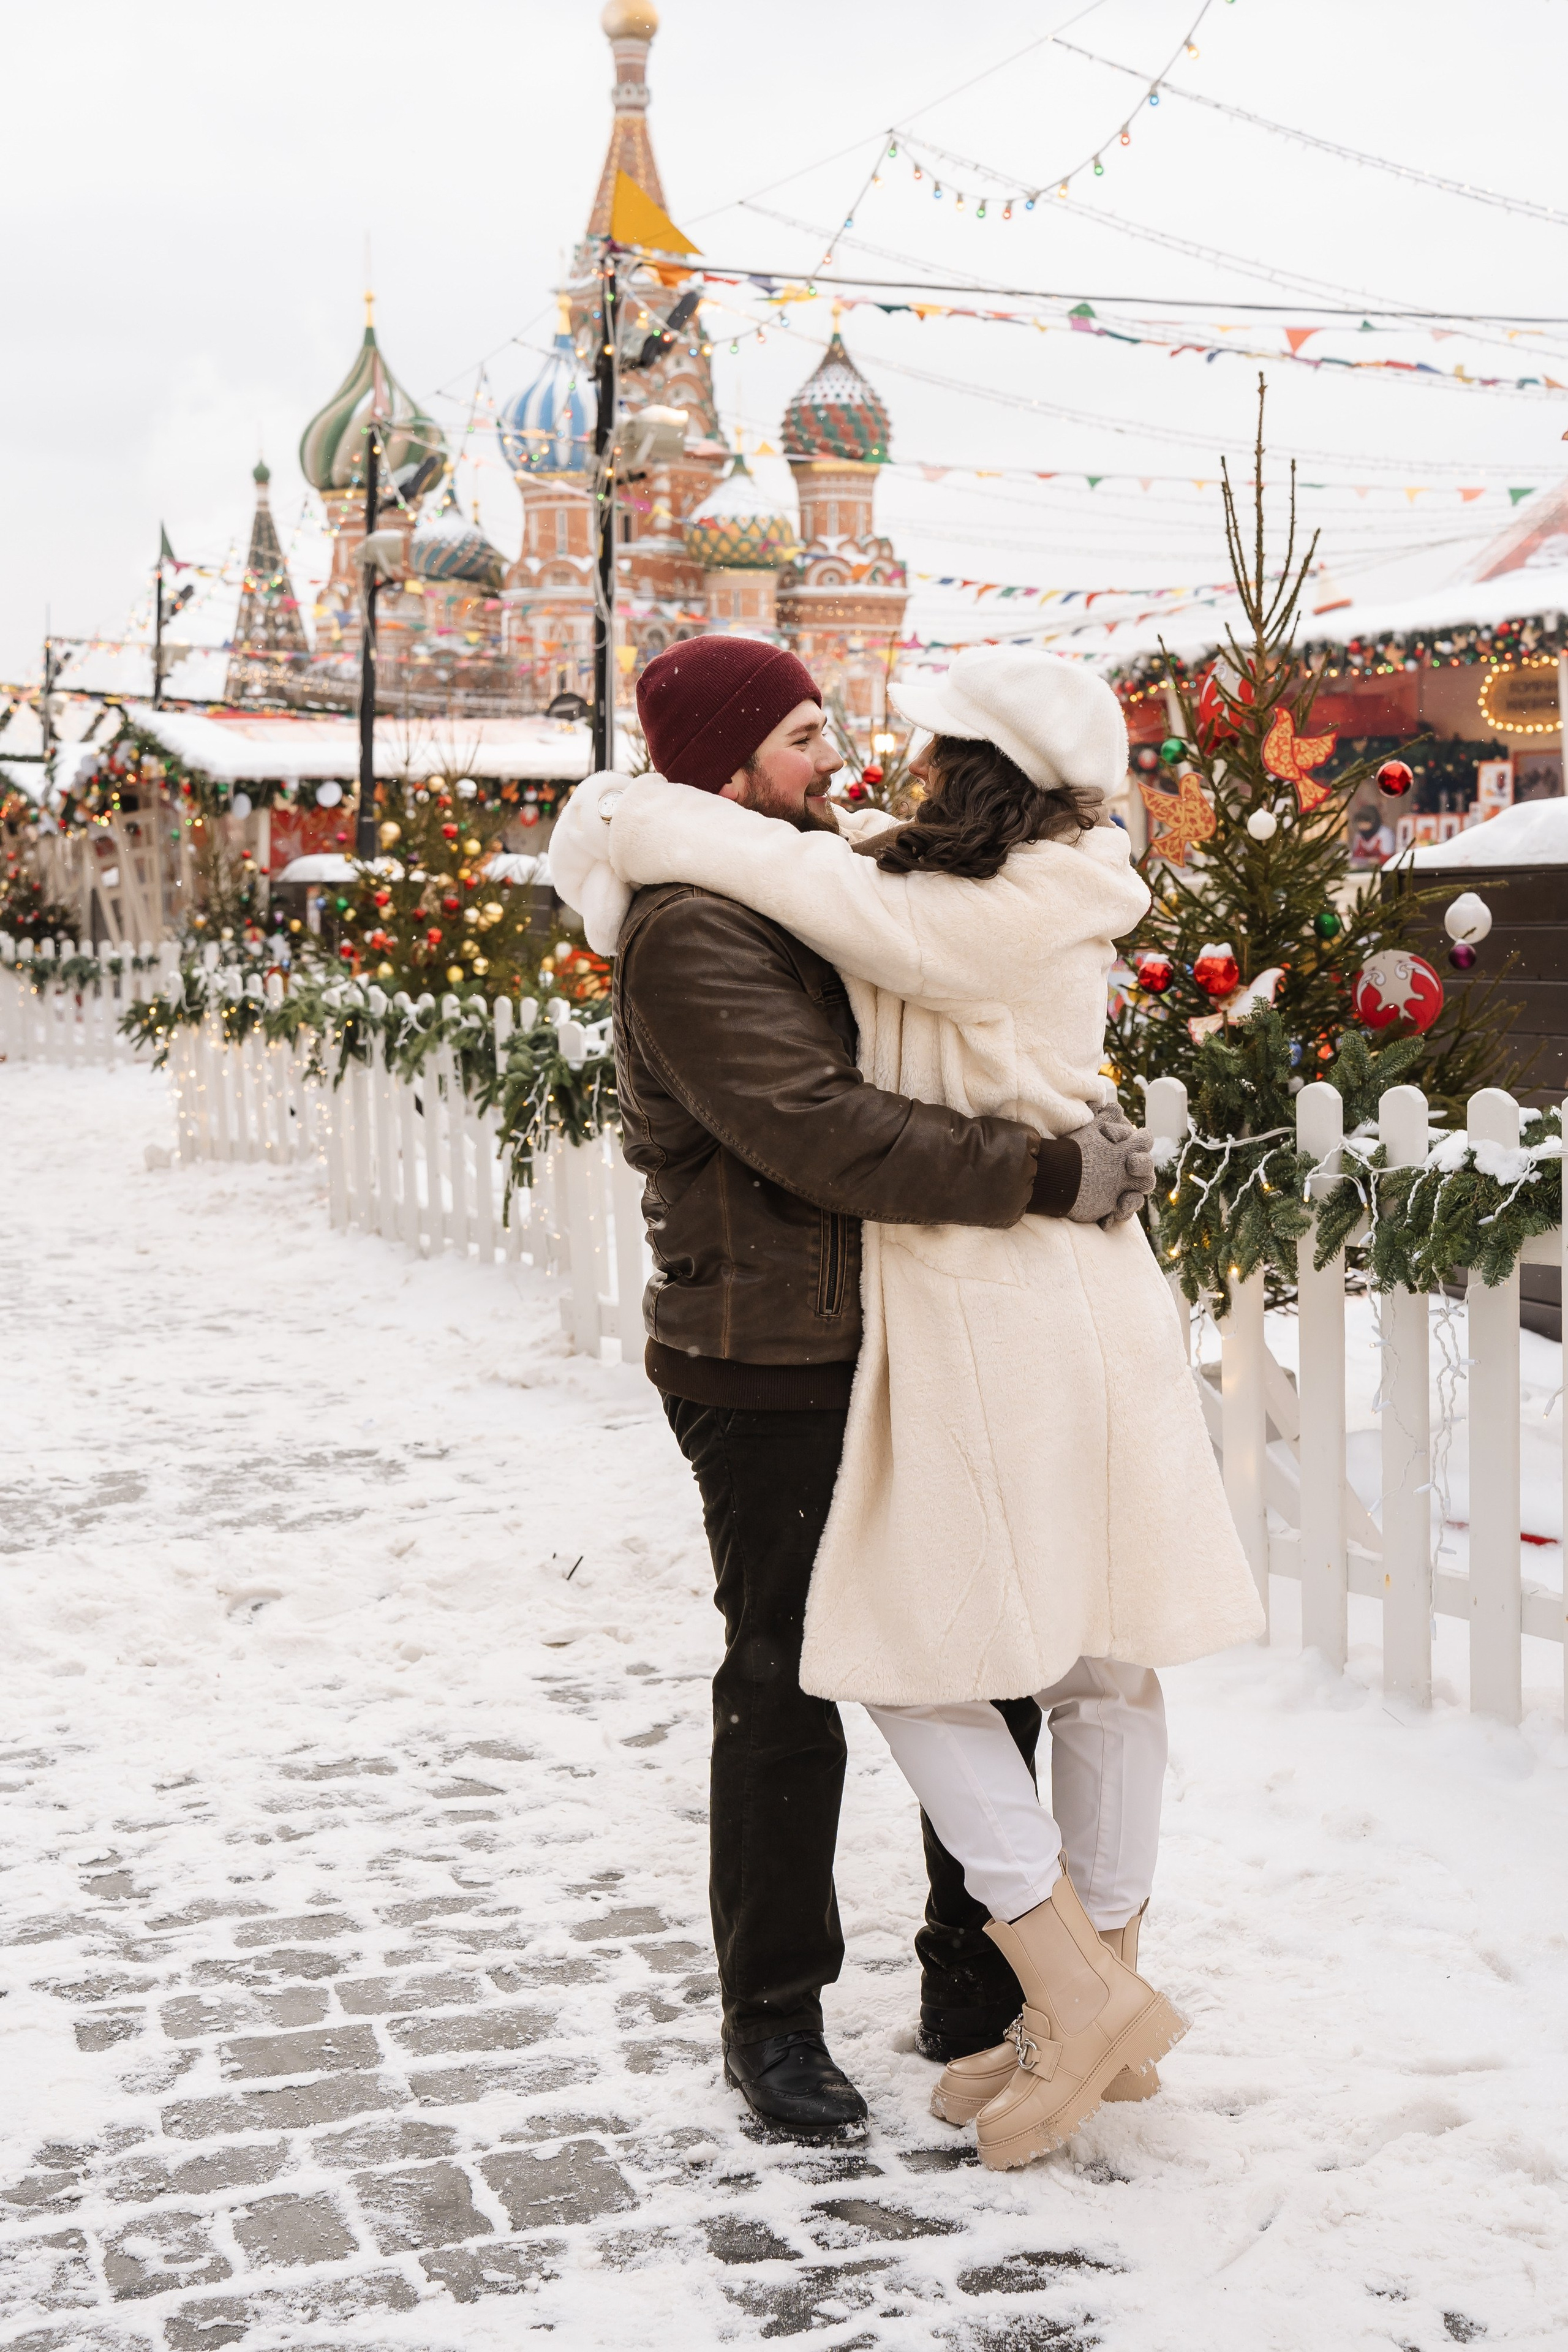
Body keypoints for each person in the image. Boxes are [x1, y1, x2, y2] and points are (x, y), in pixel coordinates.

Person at [554, 639, 1264, 2171]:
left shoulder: (848, 889)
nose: (844, 763)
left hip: (915, 1332)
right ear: (727, 766)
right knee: (794, 1680)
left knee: (994, 1648)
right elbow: (820, 1128)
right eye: (806, 736)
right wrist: (1046, 1165)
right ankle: (776, 2018)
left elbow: (959, 981)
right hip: (774, 1350)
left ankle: (987, 1988)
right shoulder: (695, 926)